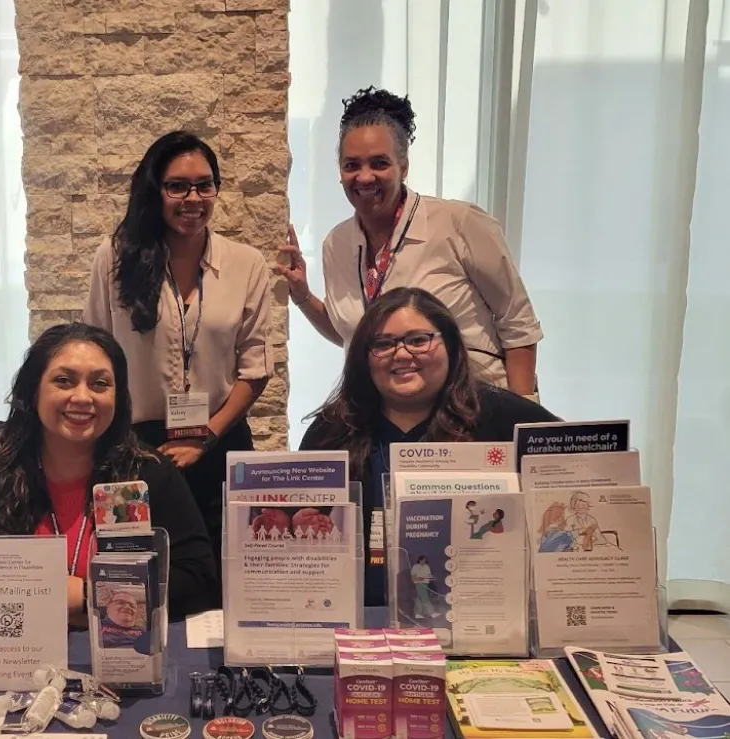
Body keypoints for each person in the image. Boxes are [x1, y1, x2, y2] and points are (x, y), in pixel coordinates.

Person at [0, 322, 218, 623]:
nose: (82, 397)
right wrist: (46, 595)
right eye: (64, 381)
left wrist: (92, 595)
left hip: (123, 657)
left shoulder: (148, 472)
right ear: (33, 391)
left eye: (100, 384)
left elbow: (197, 579)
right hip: (19, 656)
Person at [83, 131, 273, 590]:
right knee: (135, 576)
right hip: (135, 446)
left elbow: (255, 369)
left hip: (220, 440)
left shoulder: (246, 263)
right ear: (155, 190)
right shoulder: (114, 258)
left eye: (205, 185)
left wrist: (205, 437)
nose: (193, 198)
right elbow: (95, 352)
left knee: (223, 576)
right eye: (178, 186)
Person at [300, 287, 559, 607]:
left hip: (481, 618)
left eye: (418, 340)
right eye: (383, 344)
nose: (402, 354)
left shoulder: (505, 417)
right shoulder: (331, 431)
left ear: (449, 344)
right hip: (360, 625)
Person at [278, 86, 543, 395]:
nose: (364, 177)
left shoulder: (459, 224)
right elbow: (354, 335)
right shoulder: (336, 245)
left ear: (403, 168)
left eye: (379, 163)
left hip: (473, 409)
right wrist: (303, 296)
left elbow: (518, 322)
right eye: (352, 165)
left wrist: (522, 416)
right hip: (389, 416)